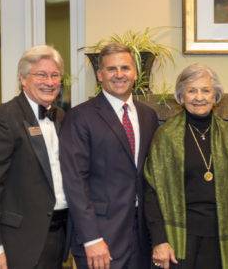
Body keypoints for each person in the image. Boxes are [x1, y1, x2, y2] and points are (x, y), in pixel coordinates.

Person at [60, 43, 159, 269]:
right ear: (100, 75)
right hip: (101, 236)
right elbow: (75, 182)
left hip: (142, 236)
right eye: (111, 69)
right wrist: (92, 238)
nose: (119, 74)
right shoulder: (80, 117)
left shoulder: (148, 116)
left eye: (125, 68)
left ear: (135, 73)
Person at [0, 45, 69, 269]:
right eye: (41, 74)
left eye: (55, 75)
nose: (50, 81)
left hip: (58, 235)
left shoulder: (61, 117)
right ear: (23, 79)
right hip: (17, 242)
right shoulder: (2, 118)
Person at [144, 63, 228, 269]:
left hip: (220, 236)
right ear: (181, 97)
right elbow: (151, 191)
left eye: (205, 90)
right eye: (191, 91)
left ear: (215, 96)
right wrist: (159, 240)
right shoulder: (165, 136)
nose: (199, 97)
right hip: (178, 238)